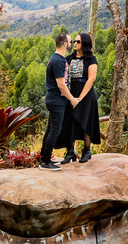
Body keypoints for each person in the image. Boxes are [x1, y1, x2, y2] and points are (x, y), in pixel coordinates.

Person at [40, 32, 78, 171]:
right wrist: (72, 100)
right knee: (55, 130)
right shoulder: (58, 61)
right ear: (64, 44)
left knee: (51, 129)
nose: (71, 43)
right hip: (56, 100)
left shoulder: (58, 59)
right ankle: (45, 162)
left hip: (55, 99)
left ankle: (44, 158)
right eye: (70, 41)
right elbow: (61, 85)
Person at [62, 32, 102, 163]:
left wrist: (80, 98)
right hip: (71, 94)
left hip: (86, 95)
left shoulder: (91, 59)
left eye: (78, 41)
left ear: (84, 43)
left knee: (86, 122)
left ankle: (86, 150)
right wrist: (70, 96)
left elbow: (91, 79)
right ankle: (70, 151)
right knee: (70, 122)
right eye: (74, 41)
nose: (74, 43)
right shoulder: (68, 58)